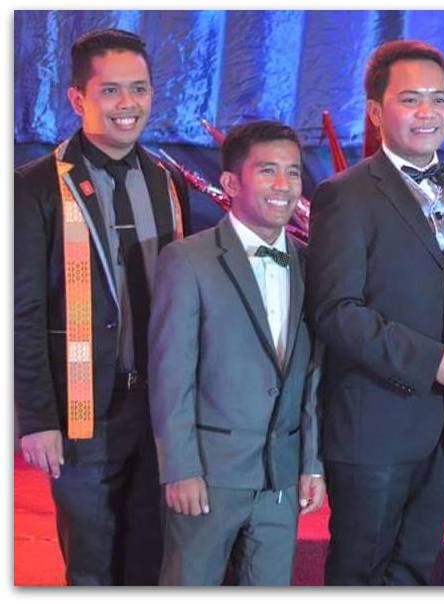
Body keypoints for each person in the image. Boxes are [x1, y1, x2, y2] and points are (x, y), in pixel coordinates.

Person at [306, 39, 444, 585]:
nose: (427, 112)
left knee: (415, 570)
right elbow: (336, 311)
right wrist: (434, 360)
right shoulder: (344, 194)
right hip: (374, 422)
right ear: (375, 111)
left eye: (439, 99)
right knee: (359, 571)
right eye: (410, 99)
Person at [14, 28, 190, 585]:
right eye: (110, 90)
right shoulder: (36, 186)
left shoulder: (167, 180)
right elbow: (20, 313)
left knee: (149, 558)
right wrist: (37, 420)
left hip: (156, 406)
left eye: (139, 89)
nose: (127, 104)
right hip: (80, 410)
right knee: (90, 565)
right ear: (77, 98)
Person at [149, 120, 325, 585]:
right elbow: (171, 376)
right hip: (209, 474)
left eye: (292, 172)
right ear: (230, 183)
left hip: (281, 477)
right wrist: (180, 469)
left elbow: (312, 374)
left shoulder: (310, 263)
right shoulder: (187, 259)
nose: (284, 185)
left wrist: (311, 462)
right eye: (267, 170)